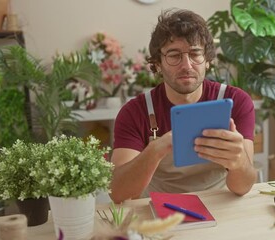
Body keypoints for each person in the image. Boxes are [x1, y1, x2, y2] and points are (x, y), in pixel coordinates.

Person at [110, 8, 257, 203]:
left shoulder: (237, 101)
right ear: (157, 64)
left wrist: (239, 162)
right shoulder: (135, 112)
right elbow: (118, 194)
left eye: (195, 54)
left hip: (219, 206)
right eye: (174, 55)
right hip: (158, 211)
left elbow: (243, 187)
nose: (186, 65)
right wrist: (156, 149)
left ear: (207, 61)